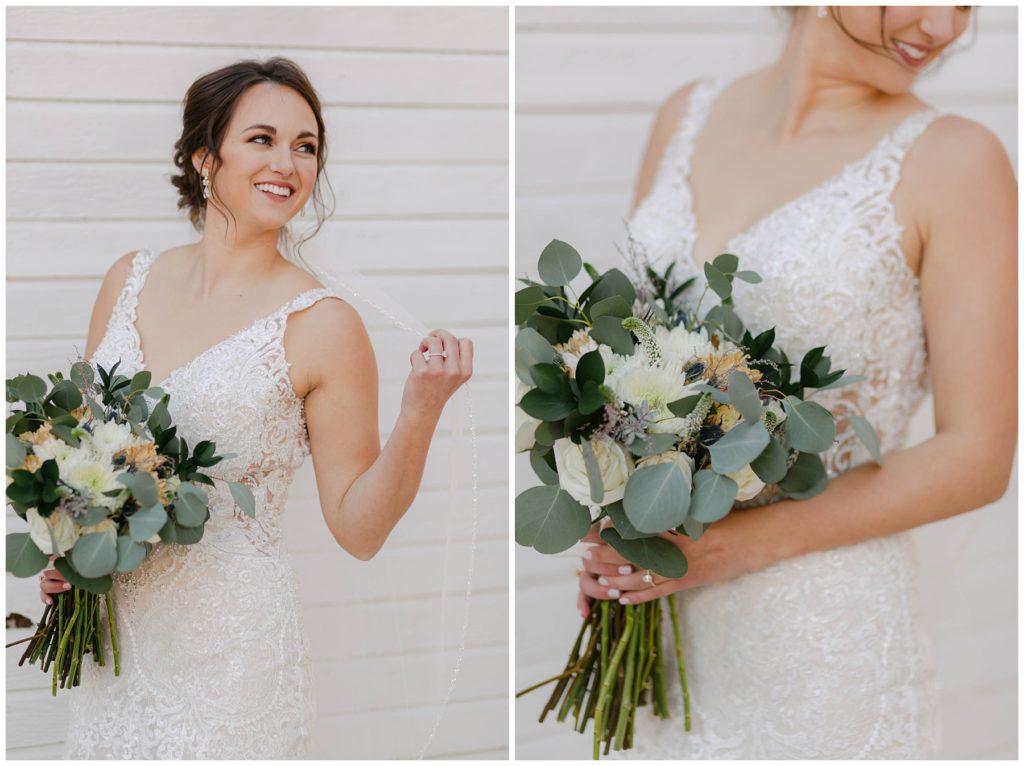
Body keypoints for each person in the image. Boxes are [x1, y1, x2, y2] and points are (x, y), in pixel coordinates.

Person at [576, 6, 1015, 758]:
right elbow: (628, 354)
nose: (944, 26)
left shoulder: (957, 161)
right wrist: (617, 520)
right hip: (662, 626)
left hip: (822, 642)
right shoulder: (684, 114)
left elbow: (979, 454)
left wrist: (724, 549)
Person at [38, 57, 473, 759]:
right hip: (114, 638)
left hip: (229, 661)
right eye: (263, 139)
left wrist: (421, 410)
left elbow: (358, 530)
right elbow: (82, 454)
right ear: (204, 155)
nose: (290, 163)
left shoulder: (322, 324)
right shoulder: (127, 279)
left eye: (307, 146)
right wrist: (70, 549)